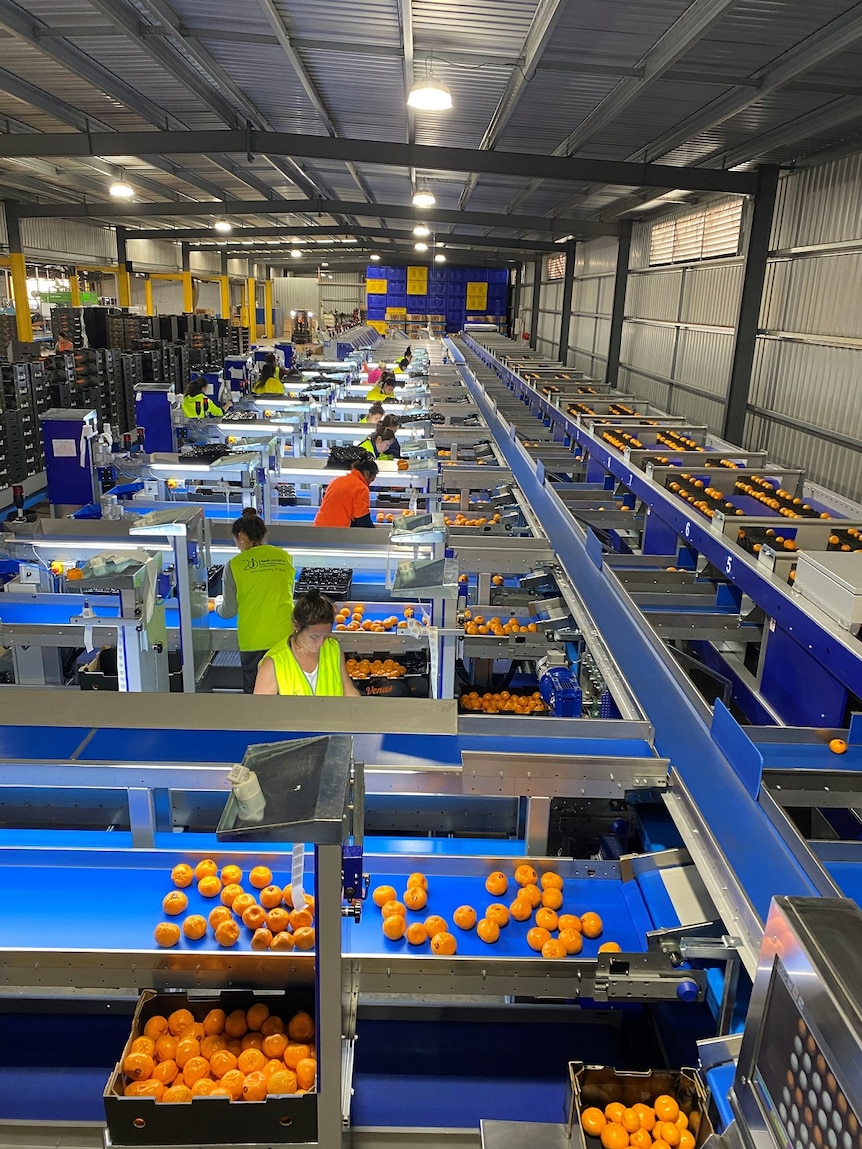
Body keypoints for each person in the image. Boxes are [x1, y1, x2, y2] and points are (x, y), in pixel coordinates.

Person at [214, 508, 296, 693]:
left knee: (257, 697)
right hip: (285, 637)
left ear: (241, 536)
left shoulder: (234, 565)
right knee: (286, 689)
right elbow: (287, 593)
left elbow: (228, 611)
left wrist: (217, 604)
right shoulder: (285, 557)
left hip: (254, 641)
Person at [254, 589, 360, 697]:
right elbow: (261, 710)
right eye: (314, 636)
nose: (321, 643)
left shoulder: (333, 648)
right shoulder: (274, 663)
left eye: (326, 635)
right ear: (296, 626)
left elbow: (349, 692)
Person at [314, 457, 378, 528]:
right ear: (367, 474)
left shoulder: (337, 480)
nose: (369, 484)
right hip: (337, 531)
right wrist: (374, 531)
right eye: (371, 480)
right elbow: (362, 519)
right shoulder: (361, 487)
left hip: (319, 527)